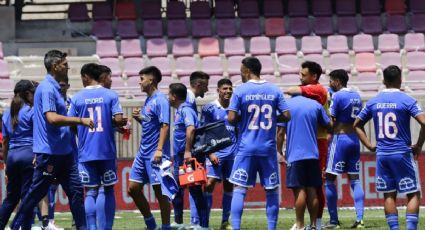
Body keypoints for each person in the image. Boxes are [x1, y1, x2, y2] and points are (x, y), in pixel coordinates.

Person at [11, 50, 93, 230]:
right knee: (35, 195)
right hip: (49, 153)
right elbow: (52, 118)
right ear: (55, 67)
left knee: (77, 192)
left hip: (65, 153)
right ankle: (16, 226)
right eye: (65, 64)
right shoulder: (47, 88)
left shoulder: (54, 87)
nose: (68, 67)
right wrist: (80, 120)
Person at [354, 65, 425, 230]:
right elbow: (423, 121)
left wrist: (370, 145)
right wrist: (419, 144)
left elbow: (357, 124)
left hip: (382, 154)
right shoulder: (407, 100)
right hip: (402, 153)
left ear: (383, 81)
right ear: (401, 79)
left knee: (388, 194)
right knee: (413, 193)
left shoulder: (373, 101)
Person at [228, 57, 291, 230]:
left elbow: (231, 118)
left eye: (241, 71)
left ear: (247, 71)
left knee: (239, 188)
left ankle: (236, 228)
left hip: (246, 148)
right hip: (267, 148)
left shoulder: (240, 91)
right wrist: (271, 118)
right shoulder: (274, 90)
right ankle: (271, 228)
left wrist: (245, 119)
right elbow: (287, 116)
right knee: (271, 190)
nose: (240, 74)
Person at [68, 63, 124, 230]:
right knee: (107, 190)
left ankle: (91, 227)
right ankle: (106, 227)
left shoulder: (76, 98)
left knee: (90, 191)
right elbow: (119, 119)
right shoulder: (110, 95)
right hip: (106, 151)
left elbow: (71, 123)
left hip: (86, 151)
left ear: (86, 76)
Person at [286, 61, 329, 229]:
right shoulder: (310, 92)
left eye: (303, 75)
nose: (300, 77)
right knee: (313, 186)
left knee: (314, 186)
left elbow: (291, 91)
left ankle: (314, 222)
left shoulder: (317, 89)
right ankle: (312, 223)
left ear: (314, 76)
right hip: (312, 141)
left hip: (318, 140)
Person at [127, 66, 172, 230]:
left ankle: (166, 227)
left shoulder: (161, 100)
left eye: (141, 79)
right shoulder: (148, 99)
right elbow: (151, 124)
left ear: (151, 80)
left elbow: (165, 126)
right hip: (142, 153)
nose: (139, 82)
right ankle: (151, 224)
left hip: (155, 154)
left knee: (160, 194)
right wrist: (140, 119)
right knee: (132, 189)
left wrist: (159, 149)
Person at [324, 70, 365, 229]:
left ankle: (334, 221)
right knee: (355, 179)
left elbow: (332, 121)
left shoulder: (337, 96)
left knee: (329, 178)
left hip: (339, 139)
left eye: (331, 81)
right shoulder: (356, 96)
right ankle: (360, 219)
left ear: (338, 81)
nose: (329, 84)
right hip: (354, 139)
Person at [169, 83, 210, 229]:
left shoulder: (186, 110)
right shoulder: (181, 110)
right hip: (180, 156)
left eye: (169, 94)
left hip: (189, 156)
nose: (168, 97)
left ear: (174, 96)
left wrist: (187, 151)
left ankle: (204, 225)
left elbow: (191, 129)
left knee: (195, 189)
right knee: (178, 189)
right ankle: (179, 222)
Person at [0, 80, 37, 229]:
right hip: (29, 154)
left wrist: (6, 163)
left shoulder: (8, 113)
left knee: (11, 198)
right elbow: (39, 136)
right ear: (28, 94)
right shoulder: (32, 110)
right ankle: (22, 227)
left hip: (13, 157)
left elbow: (5, 142)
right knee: (28, 198)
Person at [201, 78, 237, 230]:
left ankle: (225, 222)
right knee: (209, 185)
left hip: (232, 155)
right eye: (224, 88)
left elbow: (239, 131)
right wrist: (210, 153)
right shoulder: (209, 109)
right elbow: (203, 133)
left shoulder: (235, 110)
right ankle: (205, 222)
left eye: (230, 88)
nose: (228, 91)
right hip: (215, 154)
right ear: (218, 90)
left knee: (229, 187)